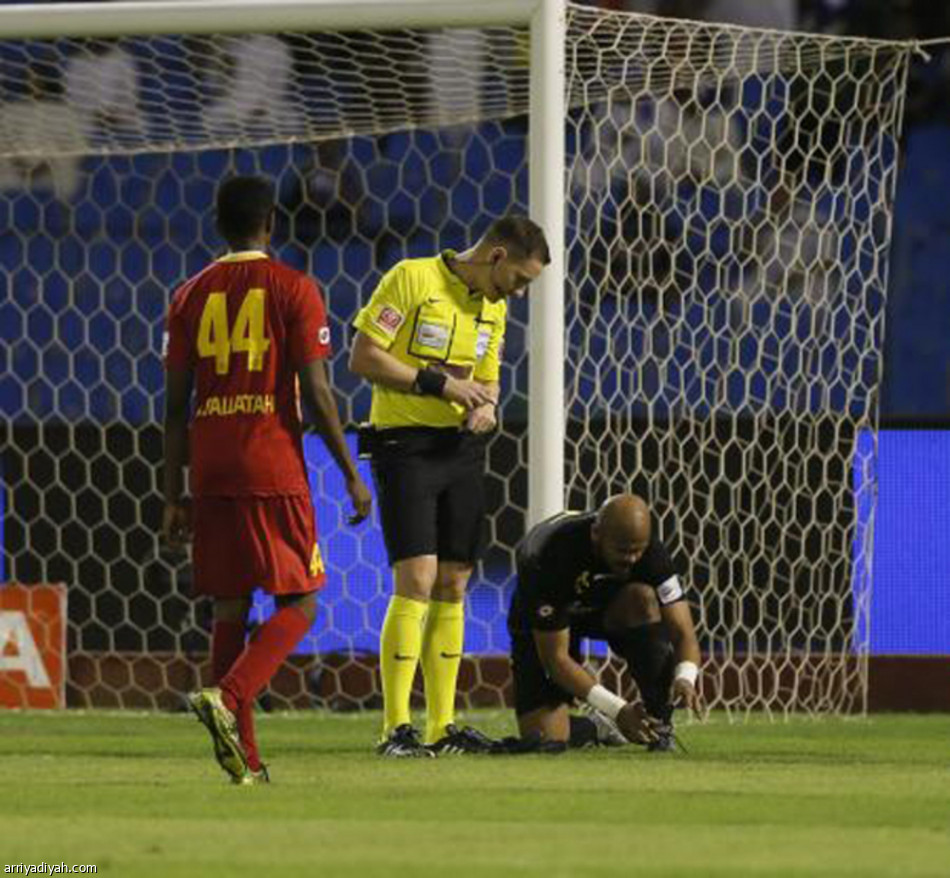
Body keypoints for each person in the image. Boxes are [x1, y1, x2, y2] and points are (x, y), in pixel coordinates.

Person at [162, 175, 372, 784]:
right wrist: (352, 474)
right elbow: (318, 391)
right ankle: (227, 698)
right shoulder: (295, 288)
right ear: (271, 224)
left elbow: (173, 407)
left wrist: (172, 495)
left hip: (210, 464)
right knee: (301, 601)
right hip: (270, 462)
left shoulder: (188, 294)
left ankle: (245, 762)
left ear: (218, 224)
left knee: (231, 603)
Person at [349, 216, 550, 756]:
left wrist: (485, 407)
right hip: (404, 444)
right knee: (416, 576)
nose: (521, 291)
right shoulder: (412, 278)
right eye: (521, 278)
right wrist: (442, 385)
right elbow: (363, 356)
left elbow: (487, 381)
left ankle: (441, 727)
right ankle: (395, 728)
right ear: (497, 256)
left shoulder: (495, 308)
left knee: (455, 582)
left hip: (459, 450)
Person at [507, 495, 703, 751]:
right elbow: (555, 659)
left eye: (638, 550)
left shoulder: (651, 552)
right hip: (545, 623)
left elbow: (683, 633)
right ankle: (595, 726)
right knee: (545, 740)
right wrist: (618, 710)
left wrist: (686, 676)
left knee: (643, 600)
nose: (632, 558)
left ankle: (659, 726)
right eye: (623, 550)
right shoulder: (549, 557)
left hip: (607, 609)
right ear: (596, 534)